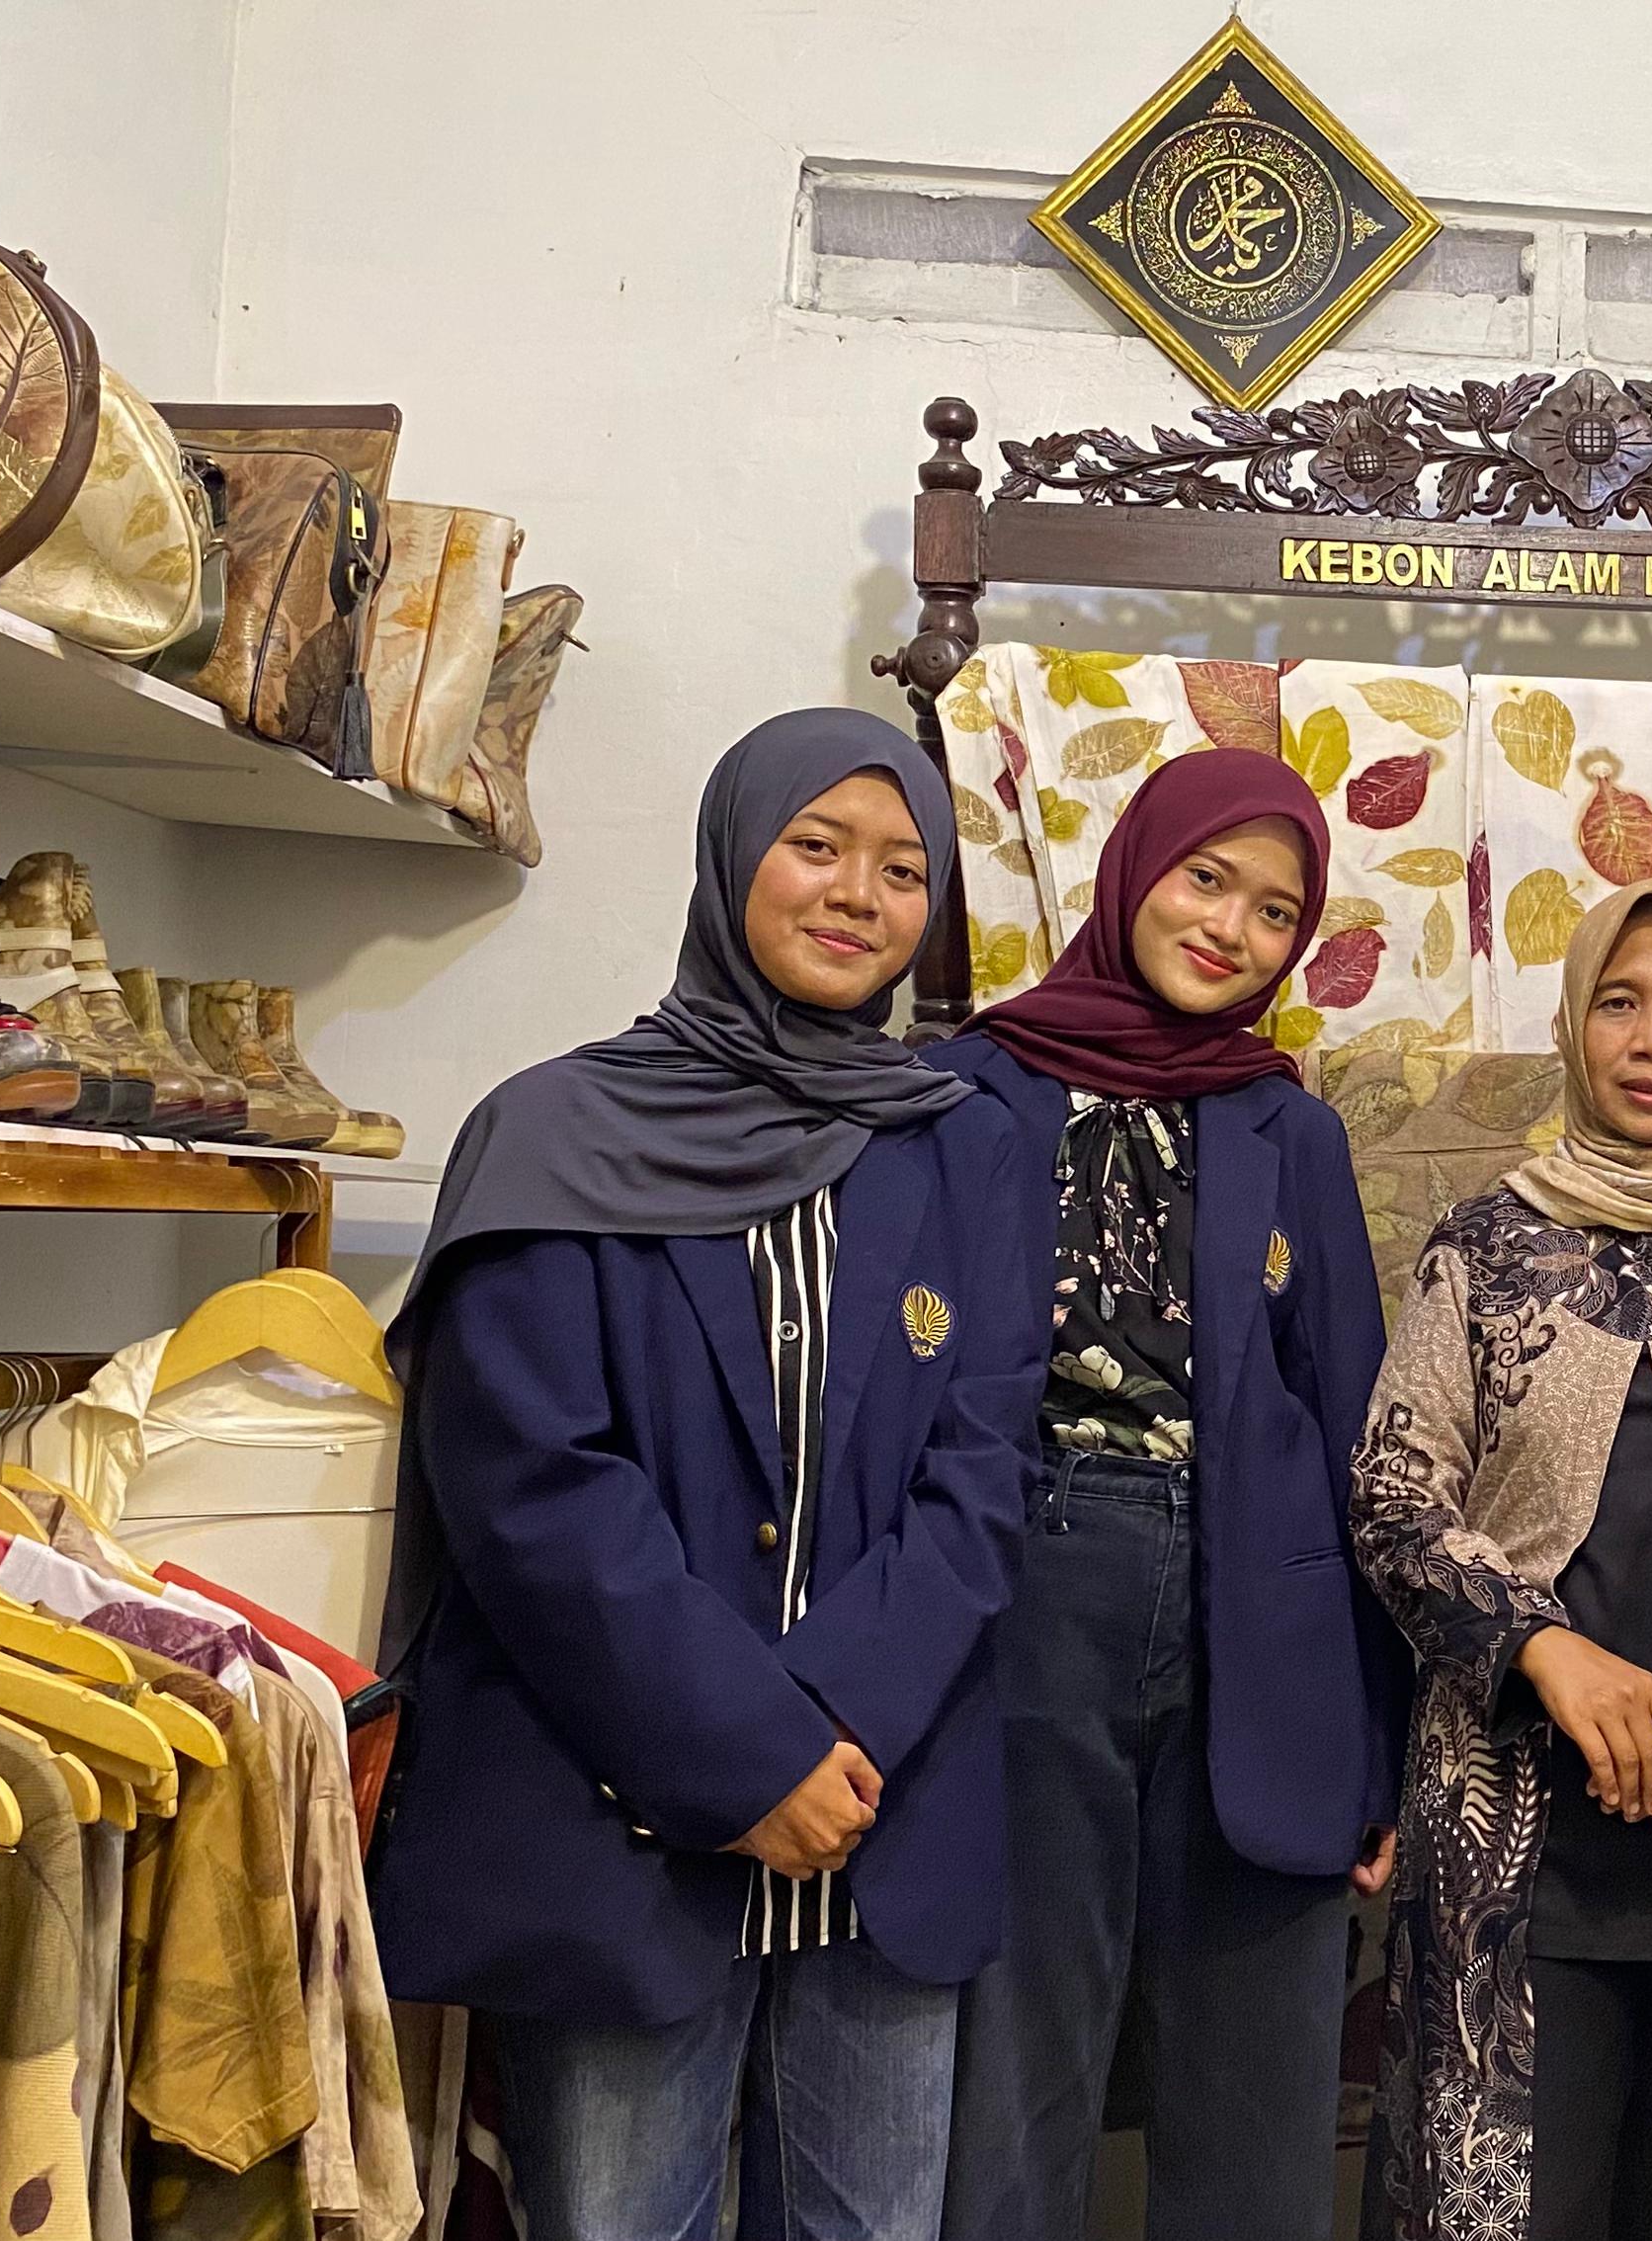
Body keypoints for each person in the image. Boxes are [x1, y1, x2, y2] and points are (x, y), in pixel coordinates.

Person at [369, 707, 1046, 2241]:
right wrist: (747, 1761)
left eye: (903, 869)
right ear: (733, 854)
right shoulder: (554, 1129)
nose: (858, 895)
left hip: (880, 1823)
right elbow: (533, 1492)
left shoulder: (963, 1145)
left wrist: (834, 1733)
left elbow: (986, 1460)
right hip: (622, 1824)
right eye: (817, 847)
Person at [932, 747, 1401, 2241]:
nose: (1230, 930)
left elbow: (1352, 1419)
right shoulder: (972, 1090)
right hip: (1026, 1585)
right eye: (1207, 879)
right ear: (1137, 865)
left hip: (1261, 1610)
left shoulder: (1290, 1126)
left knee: (1258, 2083)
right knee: (1014, 2065)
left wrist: (1379, 1743)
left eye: (1275, 912)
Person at [1352, 878, 1652, 2241]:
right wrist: (1550, 1655)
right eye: (1619, 1002)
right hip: (1511, 1824)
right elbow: (1390, 1493)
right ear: (1572, 1025)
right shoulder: (1488, 1243)